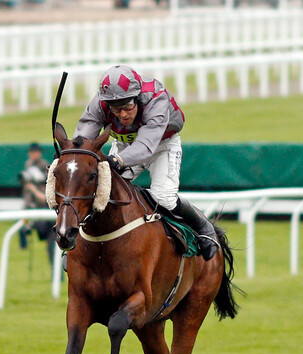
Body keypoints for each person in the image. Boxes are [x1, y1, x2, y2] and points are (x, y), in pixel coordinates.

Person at [74, 64, 219, 260]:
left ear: (137, 97)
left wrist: (118, 159)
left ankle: (203, 226)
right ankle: (80, 243)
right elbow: (84, 137)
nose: (123, 114)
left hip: (162, 145)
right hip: (126, 145)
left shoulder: (156, 97)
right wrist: (73, 154)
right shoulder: (101, 102)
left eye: (128, 107)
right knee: (102, 191)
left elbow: (145, 145)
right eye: (116, 109)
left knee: (164, 198)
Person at [19, 142, 56, 269]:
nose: (33, 154)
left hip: (44, 205)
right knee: (22, 226)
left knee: (48, 236)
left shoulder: (44, 165)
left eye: (35, 152)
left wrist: (35, 190)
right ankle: (23, 244)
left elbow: (46, 186)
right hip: (31, 205)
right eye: (31, 152)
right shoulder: (27, 165)